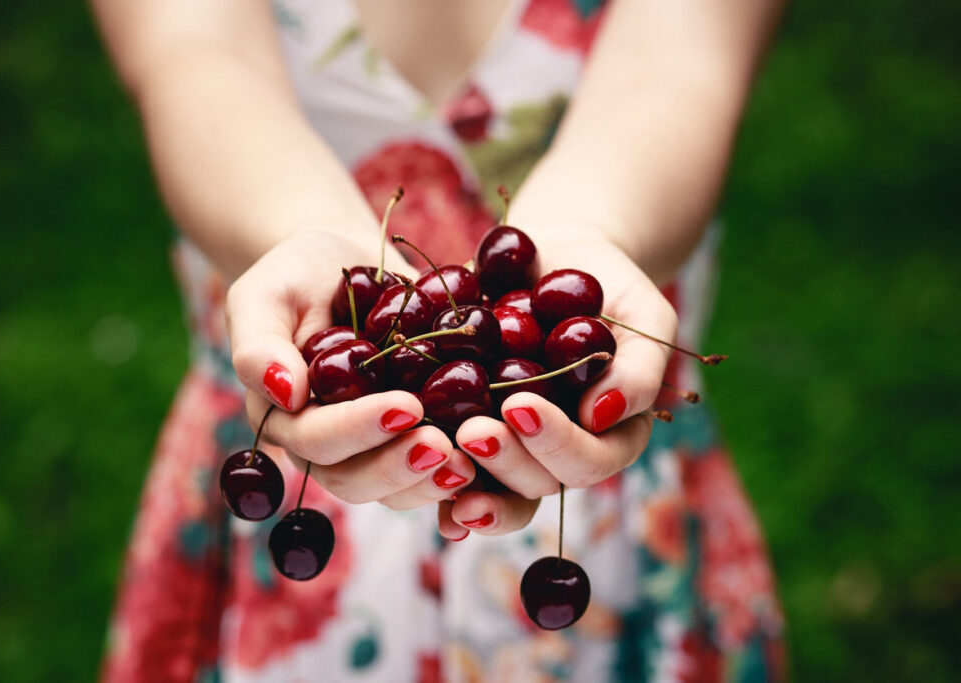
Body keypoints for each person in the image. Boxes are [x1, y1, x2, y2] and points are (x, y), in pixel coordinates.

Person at [93, 0, 787, 680]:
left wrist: (593, 229)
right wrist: (298, 230)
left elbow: (676, 68)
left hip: (604, 494)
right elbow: (197, 59)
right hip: (286, 465)